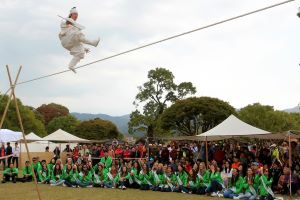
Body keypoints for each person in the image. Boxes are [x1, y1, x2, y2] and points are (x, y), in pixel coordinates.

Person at [58, 7, 100, 73]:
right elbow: (67, 25)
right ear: (71, 14)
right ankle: (93, 43)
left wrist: (84, 48)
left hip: (70, 42)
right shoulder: (68, 21)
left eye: (77, 15)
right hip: (66, 39)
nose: (76, 16)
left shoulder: (74, 26)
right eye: (75, 14)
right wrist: (69, 23)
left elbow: (77, 40)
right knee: (78, 34)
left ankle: (71, 66)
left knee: (81, 52)